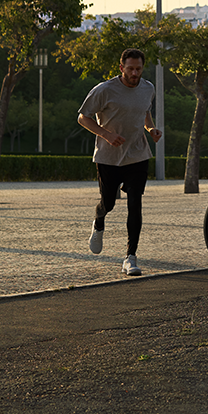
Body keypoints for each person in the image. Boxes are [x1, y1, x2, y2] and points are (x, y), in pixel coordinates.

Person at [77, 48, 163, 276]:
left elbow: (145, 112)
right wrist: (106, 135)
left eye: (139, 69)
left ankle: (130, 257)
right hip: (108, 156)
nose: (135, 73)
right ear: (121, 67)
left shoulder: (148, 88)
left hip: (137, 154)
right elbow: (83, 117)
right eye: (131, 68)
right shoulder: (104, 90)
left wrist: (150, 128)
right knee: (109, 203)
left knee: (135, 203)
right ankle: (98, 222)